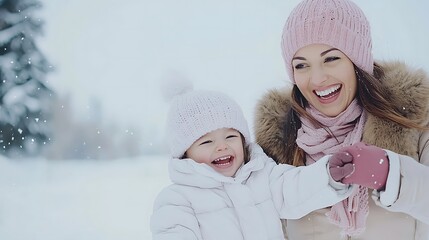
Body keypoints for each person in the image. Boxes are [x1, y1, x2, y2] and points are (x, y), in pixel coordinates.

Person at [254, 0, 429, 239]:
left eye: (331, 59)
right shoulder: (278, 145)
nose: (317, 79)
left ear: (357, 60)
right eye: (301, 65)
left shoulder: (415, 122)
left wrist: (394, 176)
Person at [150, 79, 367, 240]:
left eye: (231, 136)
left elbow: (295, 187)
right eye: (206, 142)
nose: (222, 146)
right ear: (184, 153)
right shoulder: (178, 199)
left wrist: (327, 175)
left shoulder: (262, 175)